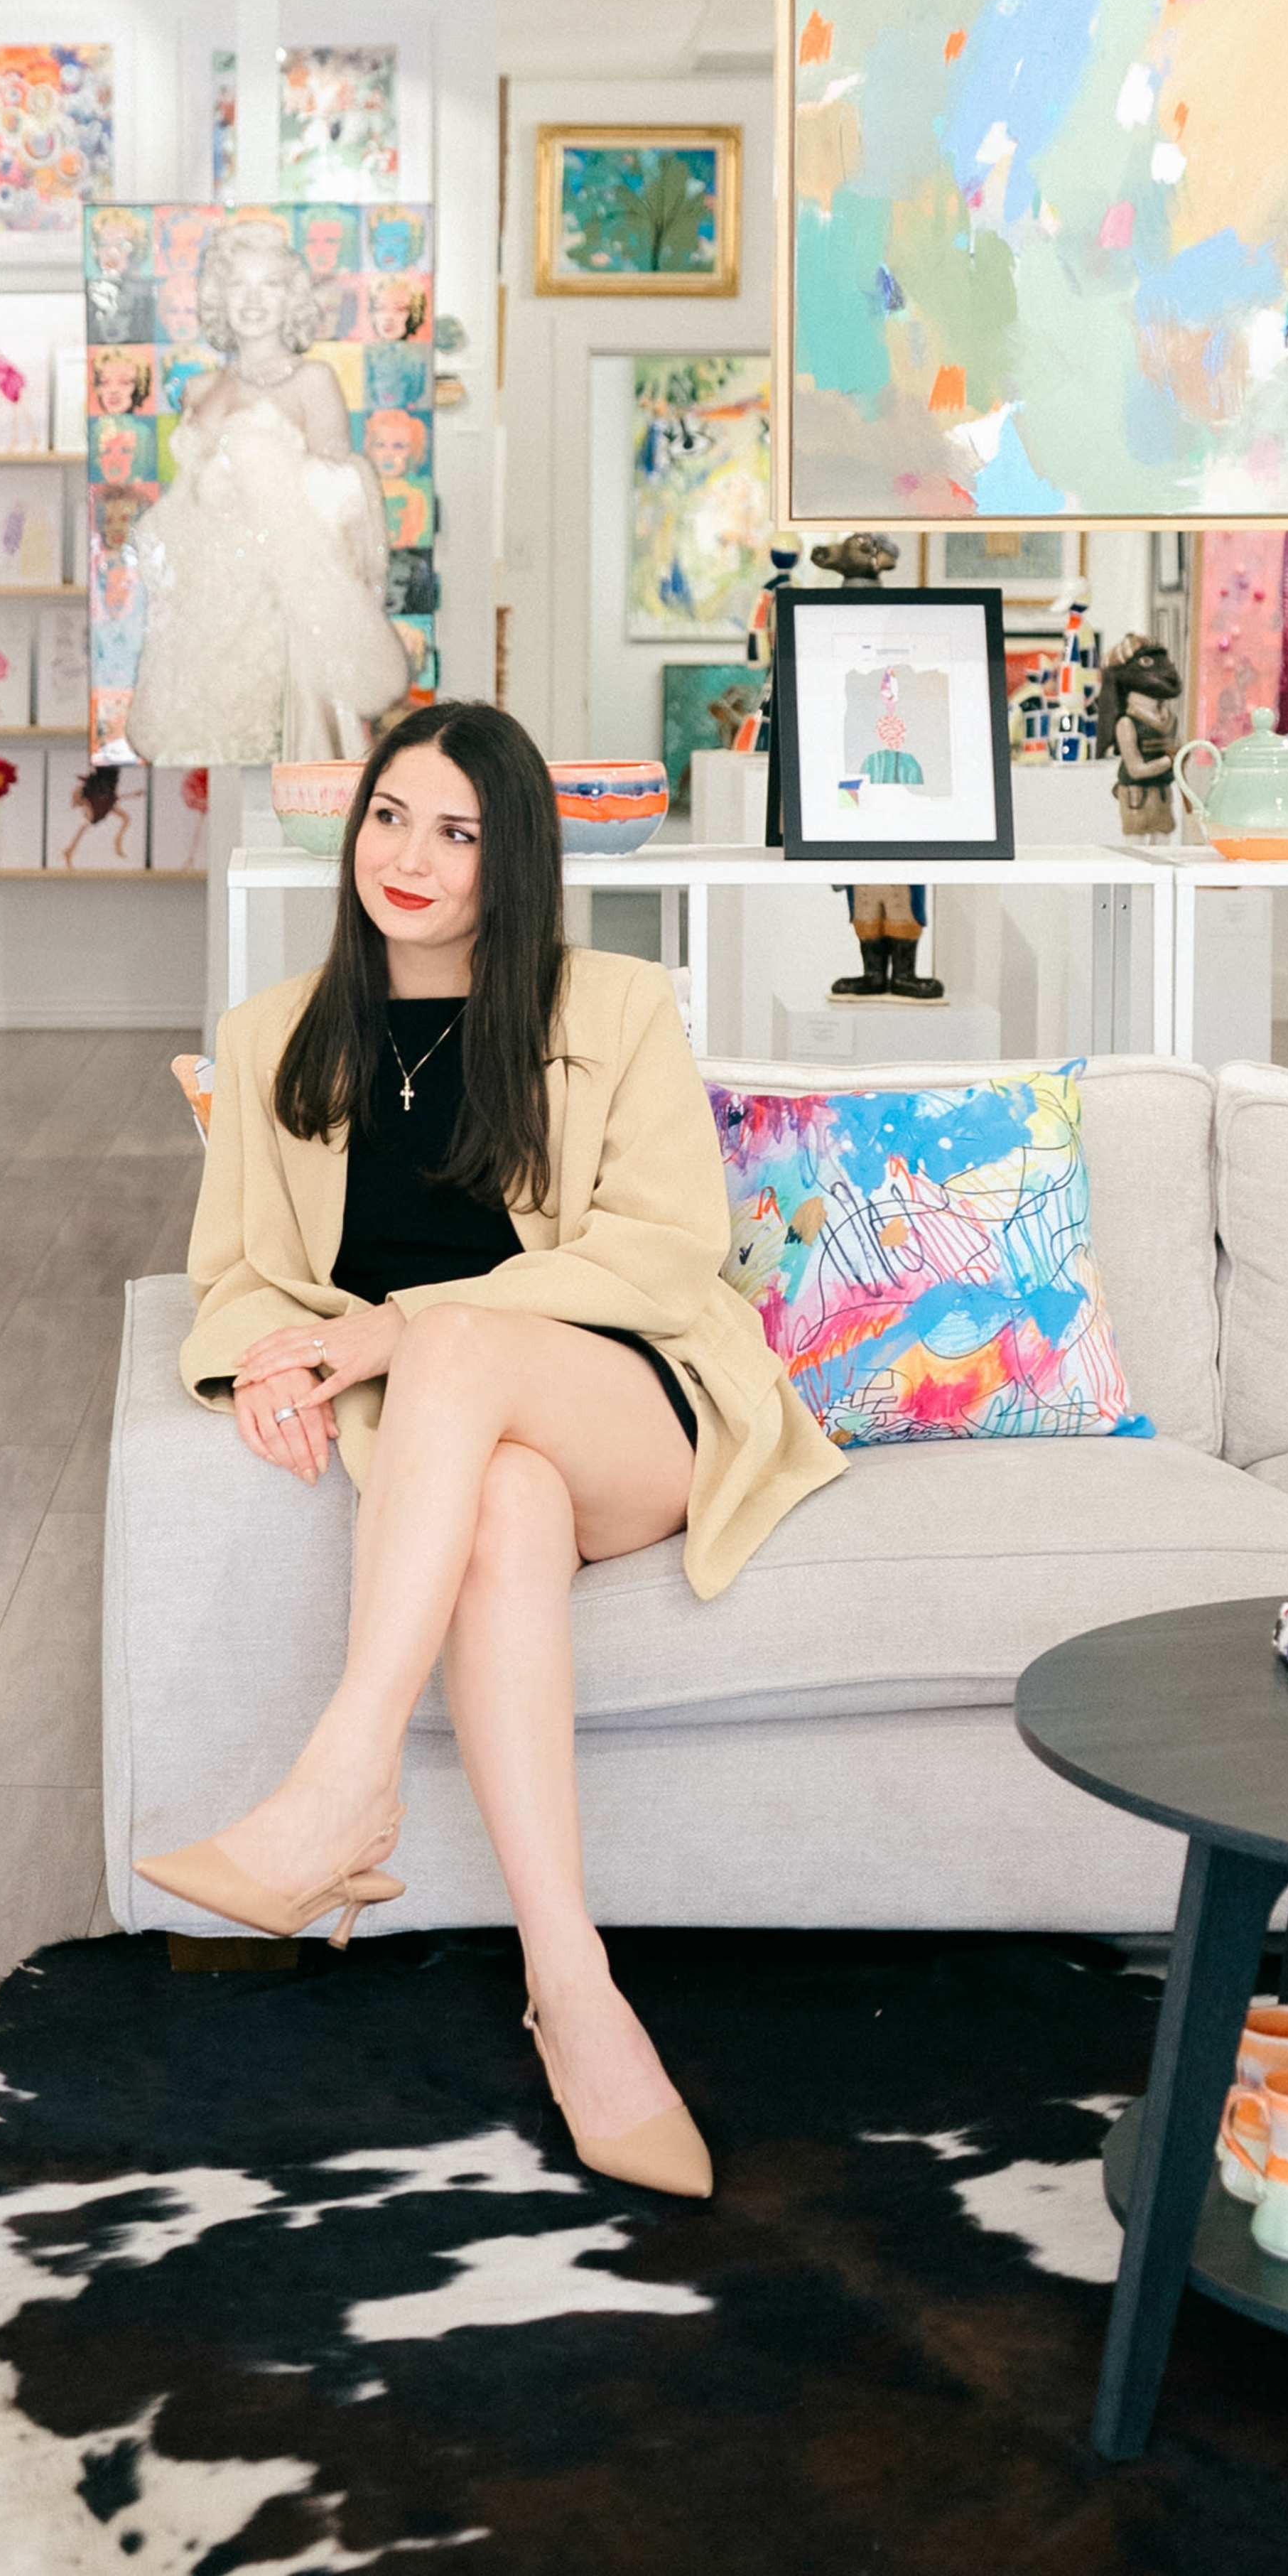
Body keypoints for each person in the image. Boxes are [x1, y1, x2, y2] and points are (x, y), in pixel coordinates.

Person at [137, 701, 843, 2196]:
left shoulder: (616, 1005)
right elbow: (237, 1269)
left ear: (509, 856)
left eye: (458, 830)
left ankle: (342, 1778)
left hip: (635, 1405)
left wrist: (398, 1331)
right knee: (502, 1502)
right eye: (392, 813)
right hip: (488, 1442)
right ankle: (575, 1989)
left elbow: (665, 1254)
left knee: (448, 1336)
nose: (412, 854)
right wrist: (268, 1352)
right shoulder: (276, 1034)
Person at [125, 209, 407, 764]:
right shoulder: (203, 387)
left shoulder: (312, 382)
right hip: (207, 605)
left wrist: (260, 470)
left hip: (281, 612)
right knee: (222, 774)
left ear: (291, 299)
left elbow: (341, 499)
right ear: (219, 296)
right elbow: (186, 503)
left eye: (270, 285)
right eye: (238, 284)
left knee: (286, 775)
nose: (253, 300)